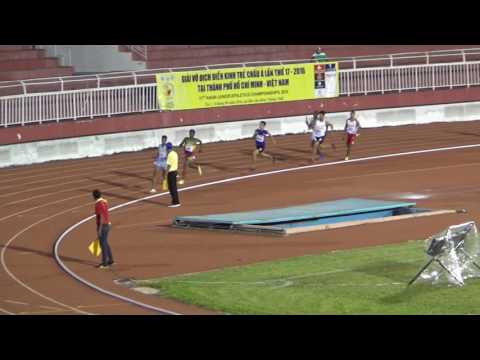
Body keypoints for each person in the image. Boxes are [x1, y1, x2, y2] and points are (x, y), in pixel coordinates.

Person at [92, 189, 114, 269]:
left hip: (103, 226)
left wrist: (99, 229)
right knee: (105, 242)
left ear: (94, 196)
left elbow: (100, 217)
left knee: (103, 244)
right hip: (107, 224)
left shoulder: (98, 204)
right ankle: (111, 260)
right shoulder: (104, 201)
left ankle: (105, 263)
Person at [166, 142, 181, 208]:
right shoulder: (175, 153)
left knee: (172, 188)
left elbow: (169, 165)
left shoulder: (170, 155)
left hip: (171, 172)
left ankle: (176, 202)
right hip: (174, 172)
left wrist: (165, 173)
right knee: (172, 187)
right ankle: (175, 201)